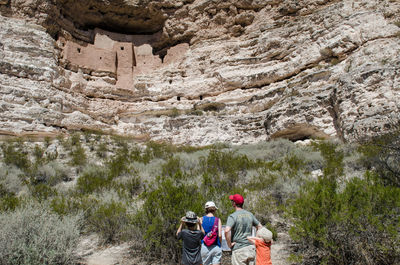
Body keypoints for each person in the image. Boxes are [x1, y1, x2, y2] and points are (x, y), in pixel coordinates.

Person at [225, 194, 262, 265]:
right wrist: (255, 240)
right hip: (251, 248)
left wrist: (229, 244)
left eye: (232, 201)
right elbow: (260, 227)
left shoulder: (232, 216)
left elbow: (227, 230)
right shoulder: (250, 214)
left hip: (239, 249)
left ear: (234, 204)